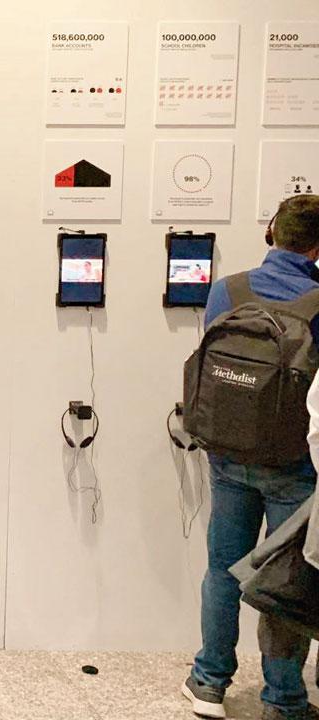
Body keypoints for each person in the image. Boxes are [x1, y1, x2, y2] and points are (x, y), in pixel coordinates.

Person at [184, 195, 319, 720]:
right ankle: (283, 699)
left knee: (222, 570)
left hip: (227, 453)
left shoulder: (227, 289)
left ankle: (208, 683)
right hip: (293, 463)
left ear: (271, 232)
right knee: (287, 578)